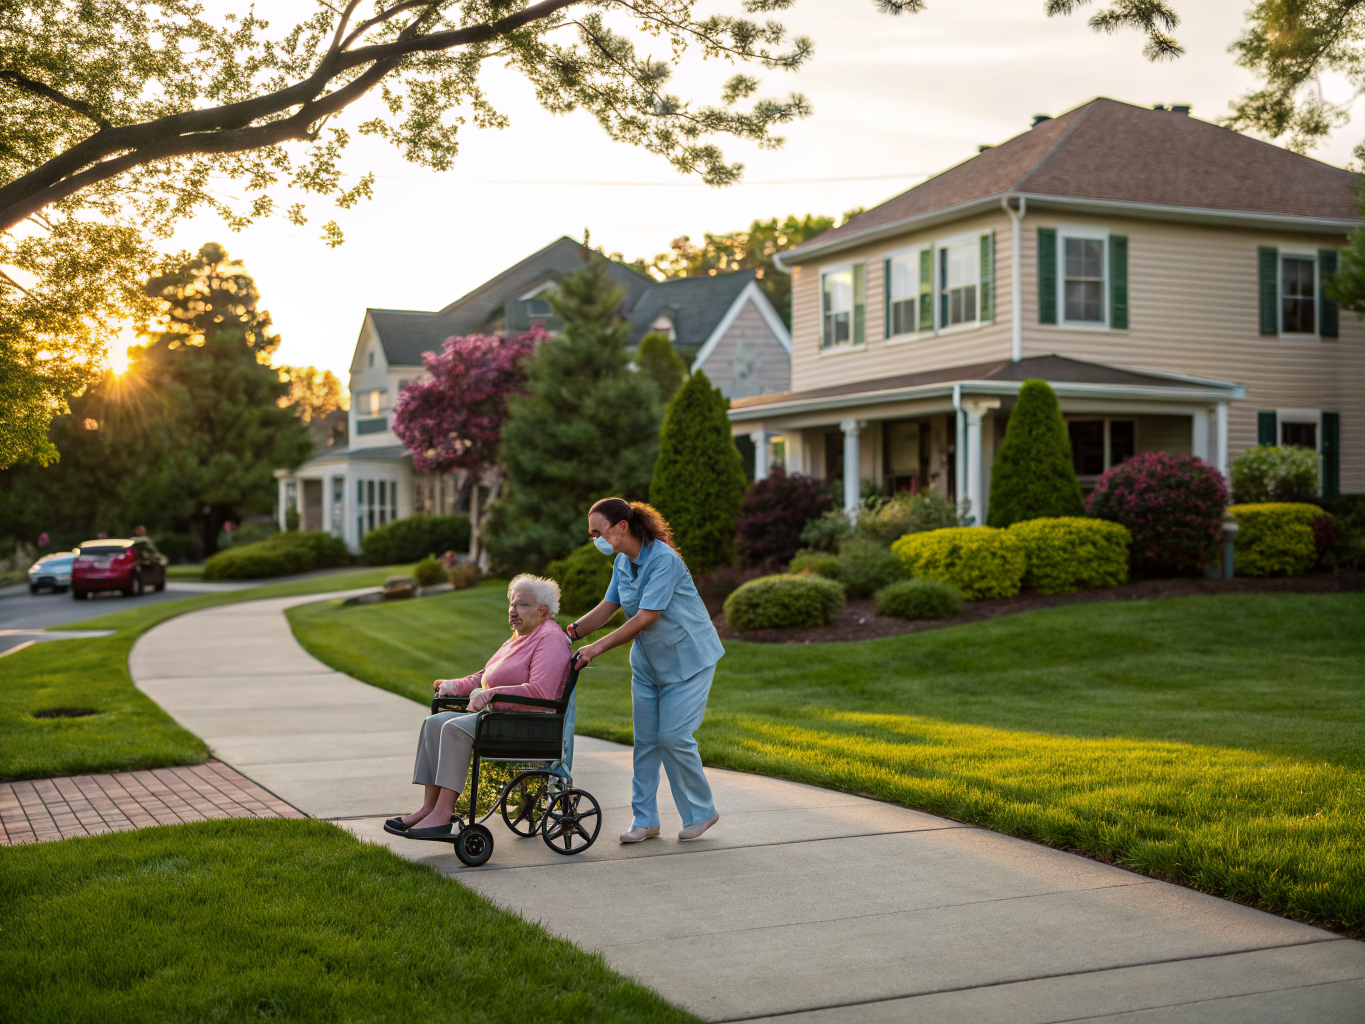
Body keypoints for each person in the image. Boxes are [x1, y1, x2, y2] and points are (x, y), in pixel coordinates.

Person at [568, 498, 724, 843]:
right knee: (646, 743)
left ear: (621, 527)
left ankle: (702, 812)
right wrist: (570, 633)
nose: (594, 539)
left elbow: (645, 617)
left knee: (674, 738)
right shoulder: (623, 562)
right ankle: (645, 820)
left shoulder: (664, 560)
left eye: (598, 532)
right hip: (648, 666)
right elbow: (610, 606)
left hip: (688, 661)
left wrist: (595, 648)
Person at [386, 574, 572, 841]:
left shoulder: (550, 639)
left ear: (543, 611)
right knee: (434, 723)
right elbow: (483, 676)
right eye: (511, 604)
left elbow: (541, 693)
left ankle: (443, 813)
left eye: (522, 605)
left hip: (527, 724)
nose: (512, 611)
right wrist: (453, 685)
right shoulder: (518, 637)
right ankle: (429, 807)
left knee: (454, 728)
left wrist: (491, 696)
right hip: (499, 717)